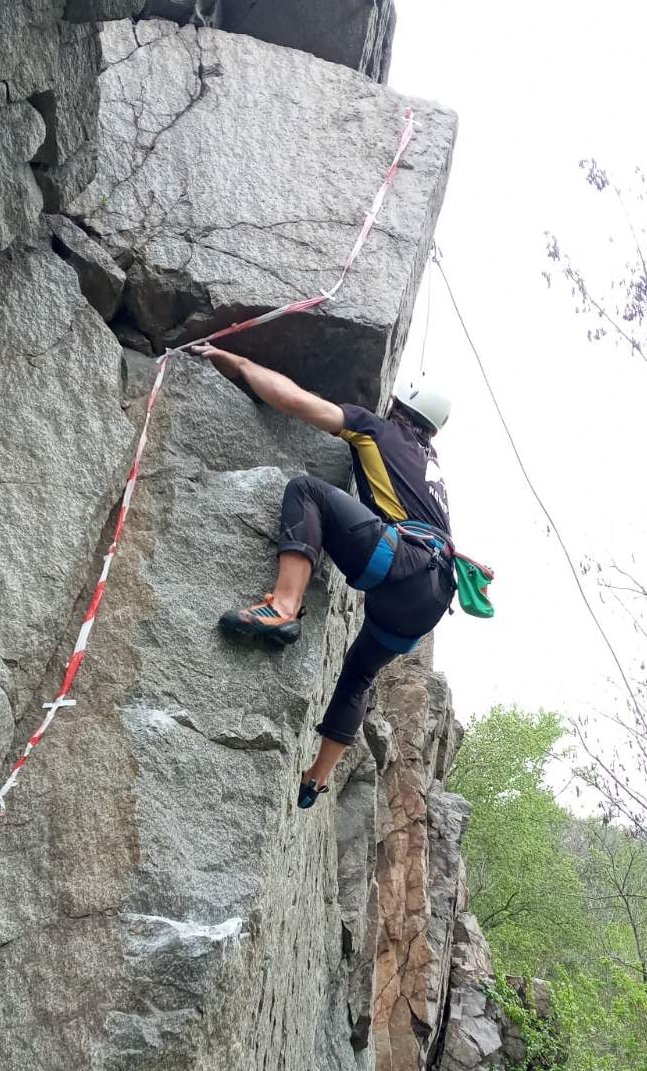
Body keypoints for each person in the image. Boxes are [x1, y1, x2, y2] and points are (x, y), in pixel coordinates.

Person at [189, 344, 455, 808]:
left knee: (307, 490)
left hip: (402, 564)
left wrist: (243, 363)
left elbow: (295, 401)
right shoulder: (431, 467)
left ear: (399, 406)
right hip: (432, 598)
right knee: (358, 675)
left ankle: (283, 607)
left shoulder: (376, 430)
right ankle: (316, 777)